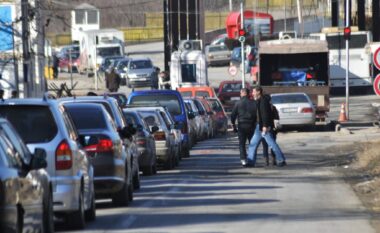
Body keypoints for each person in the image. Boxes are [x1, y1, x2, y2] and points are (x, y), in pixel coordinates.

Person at [247, 86, 286, 167]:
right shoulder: (259, 101)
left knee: (272, 144)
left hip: (263, 127)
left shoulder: (263, 101)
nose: (252, 93)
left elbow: (265, 115)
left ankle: (281, 160)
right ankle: (250, 161)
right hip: (259, 127)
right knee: (252, 144)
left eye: (254, 92)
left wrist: (265, 125)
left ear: (258, 92)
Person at [231, 88, 257, 167]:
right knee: (252, 144)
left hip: (242, 126)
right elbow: (257, 114)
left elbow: (233, 116)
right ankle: (251, 159)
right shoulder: (254, 103)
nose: (239, 94)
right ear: (248, 94)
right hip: (252, 125)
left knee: (242, 144)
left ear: (243, 93)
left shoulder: (238, 103)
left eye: (240, 93)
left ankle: (243, 160)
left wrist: (233, 125)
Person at [260, 94, 279, 166]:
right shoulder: (273, 108)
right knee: (273, 144)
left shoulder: (262, 107)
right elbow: (277, 118)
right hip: (272, 128)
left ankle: (266, 161)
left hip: (264, 128)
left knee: (265, 145)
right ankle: (273, 160)